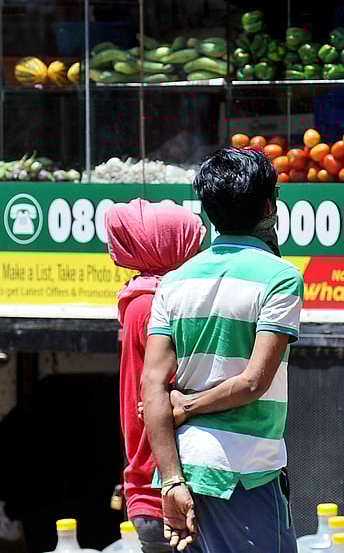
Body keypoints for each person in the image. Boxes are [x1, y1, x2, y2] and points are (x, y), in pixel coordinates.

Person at [143, 148, 303, 552]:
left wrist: (172, 481)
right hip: (245, 474)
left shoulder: (175, 281)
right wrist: (189, 407)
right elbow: (253, 382)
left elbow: (152, 388)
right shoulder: (281, 278)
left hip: (183, 472)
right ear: (268, 206)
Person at [107, 200, 207, 553]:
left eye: (125, 239)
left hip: (156, 488)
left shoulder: (145, 301)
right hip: (165, 487)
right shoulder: (154, 301)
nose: (113, 247)